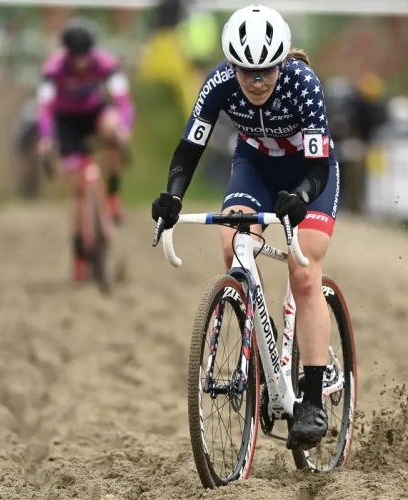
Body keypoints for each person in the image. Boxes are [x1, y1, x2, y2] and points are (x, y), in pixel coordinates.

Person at [151, 4, 339, 449]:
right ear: (232, 66)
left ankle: (311, 399)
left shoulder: (303, 84)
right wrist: (173, 195)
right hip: (254, 167)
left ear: (279, 64)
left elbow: (317, 165)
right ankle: (264, 349)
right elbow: (188, 148)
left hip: (307, 175)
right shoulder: (218, 84)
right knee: (233, 245)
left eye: (265, 73)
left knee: (305, 270)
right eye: (246, 72)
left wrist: (302, 198)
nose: (256, 83)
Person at [36, 17, 135, 282]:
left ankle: (113, 195)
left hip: (94, 113)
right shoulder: (53, 70)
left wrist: (125, 127)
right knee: (77, 192)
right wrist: (45, 138)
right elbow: (44, 109)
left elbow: (123, 101)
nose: (81, 62)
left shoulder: (106, 63)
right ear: (67, 53)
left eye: (85, 55)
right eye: (75, 56)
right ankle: (79, 255)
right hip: (66, 123)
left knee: (113, 129)